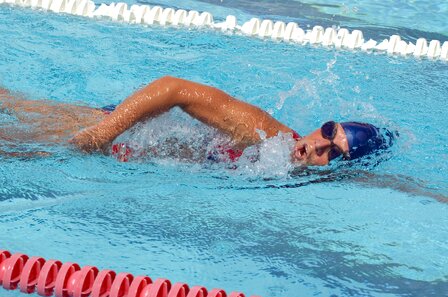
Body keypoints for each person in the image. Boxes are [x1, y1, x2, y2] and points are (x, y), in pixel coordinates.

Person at [0, 76, 390, 164]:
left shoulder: (284, 176)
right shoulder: (267, 135)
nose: (318, 145)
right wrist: (99, 135)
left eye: (333, 154)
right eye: (327, 133)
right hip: (115, 134)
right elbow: (174, 89)